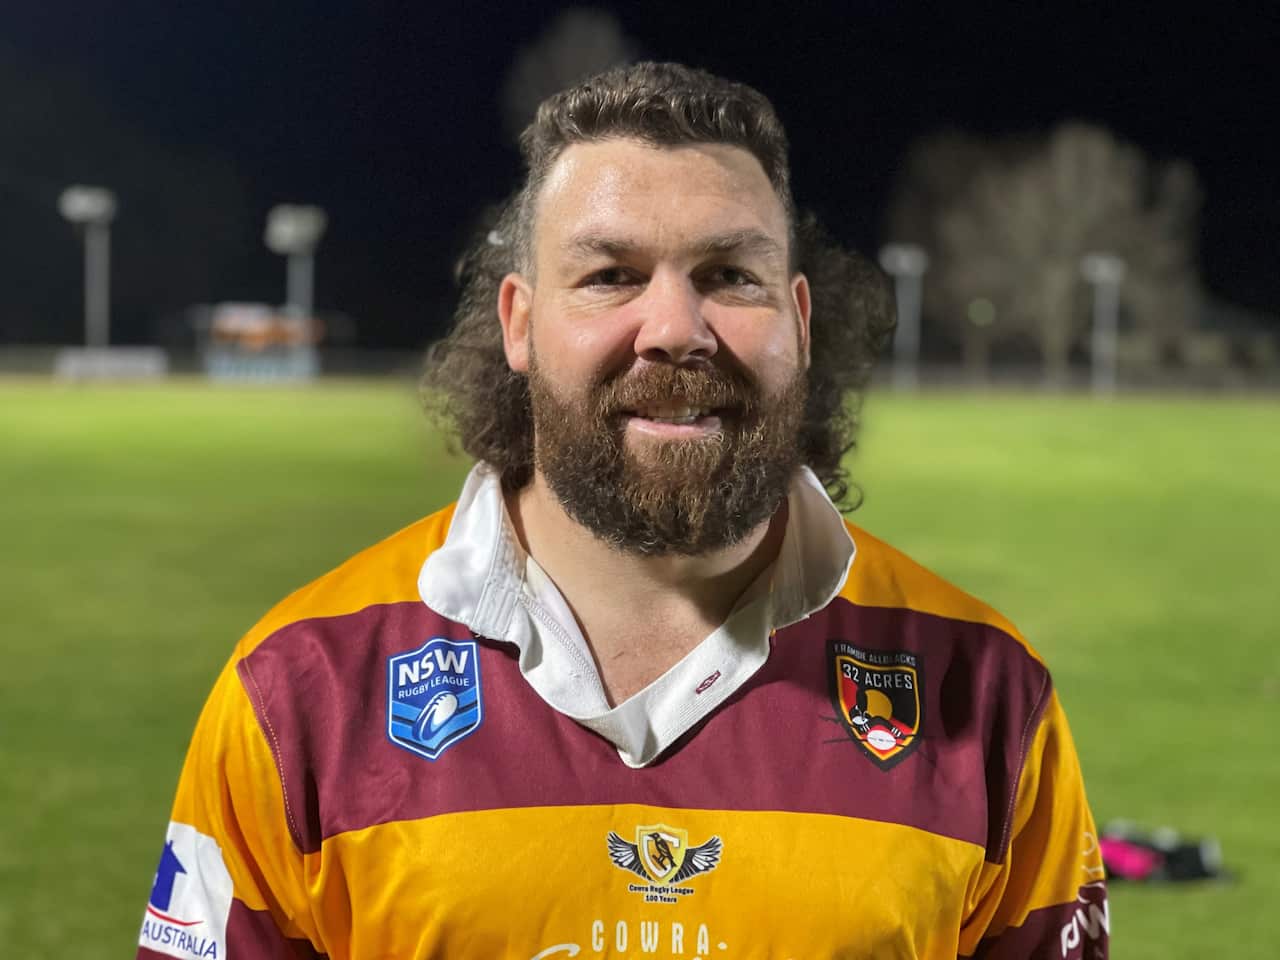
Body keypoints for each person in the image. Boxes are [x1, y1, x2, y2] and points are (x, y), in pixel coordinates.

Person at [137, 62, 1108, 960]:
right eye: (609, 276)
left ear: (799, 324)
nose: (675, 329)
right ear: (519, 323)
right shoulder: (302, 685)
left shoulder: (980, 689)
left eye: (729, 276)